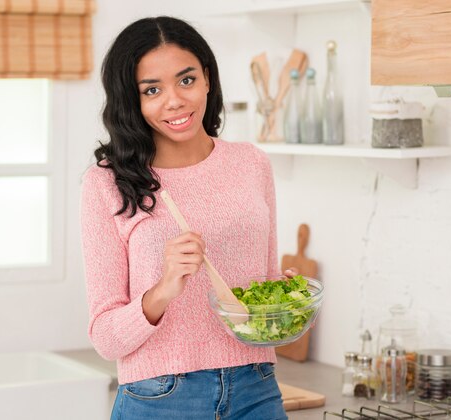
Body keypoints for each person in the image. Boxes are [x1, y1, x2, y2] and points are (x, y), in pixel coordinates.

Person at [80, 16, 296, 420]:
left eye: (186, 80)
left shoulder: (250, 163)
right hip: (160, 396)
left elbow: (263, 286)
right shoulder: (107, 183)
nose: (175, 100)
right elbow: (106, 338)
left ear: (208, 79)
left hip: (256, 387)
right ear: (133, 99)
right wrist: (163, 289)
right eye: (152, 90)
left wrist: (285, 304)